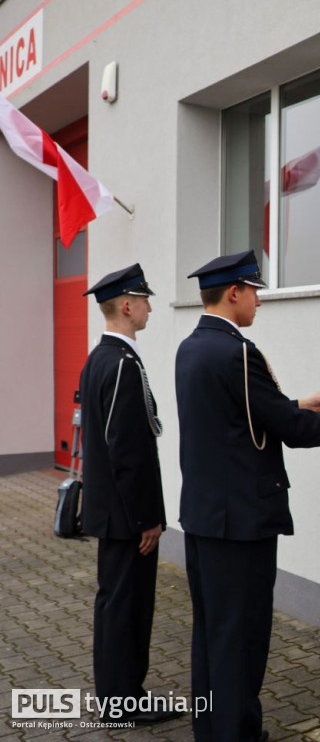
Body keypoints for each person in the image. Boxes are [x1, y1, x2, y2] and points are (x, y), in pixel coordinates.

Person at [176, 249, 320, 742]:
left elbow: (244, 416)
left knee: (212, 635)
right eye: (254, 291)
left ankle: (212, 729)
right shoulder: (237, 351)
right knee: (242, 638)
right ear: (234, 293)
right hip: (242, 525)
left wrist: (300, 402)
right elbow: (288, 429)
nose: (258, 301)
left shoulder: (192, 346)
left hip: (207, 519)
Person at [79, 263, 180, 725]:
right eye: (144, 301)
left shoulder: (101, 358)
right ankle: (124, 702)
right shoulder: (120, 362)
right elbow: (128, 451)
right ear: (125, 305)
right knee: (127, 608)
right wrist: (147, 518)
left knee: (116, 604)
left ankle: (119, 696)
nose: (150, 308)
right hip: (126, 517)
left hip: (112, 511)